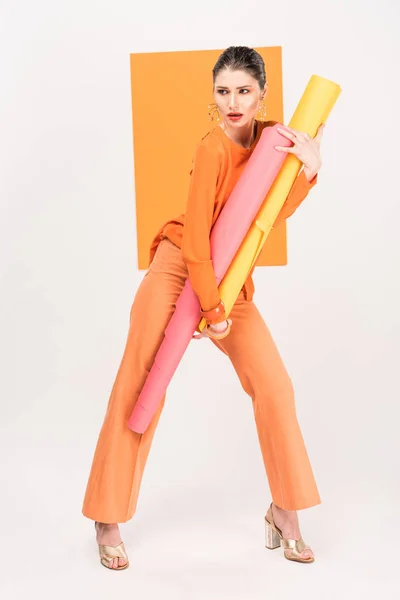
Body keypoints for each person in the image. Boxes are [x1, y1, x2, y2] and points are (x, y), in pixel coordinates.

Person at [82, 45, 324, 570]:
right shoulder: (212, 147)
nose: (232, 102)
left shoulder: (276, 139)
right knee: (142, 381)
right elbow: (195, 239)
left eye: (243, 91)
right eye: (222, 91)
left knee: (275, 385)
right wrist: (208, 307)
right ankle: (107, 515)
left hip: (231, 276)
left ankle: (284, 511)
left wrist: (308, 172)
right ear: (211, 95)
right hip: (182, 268)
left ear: (262, 94)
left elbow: (269, 218)